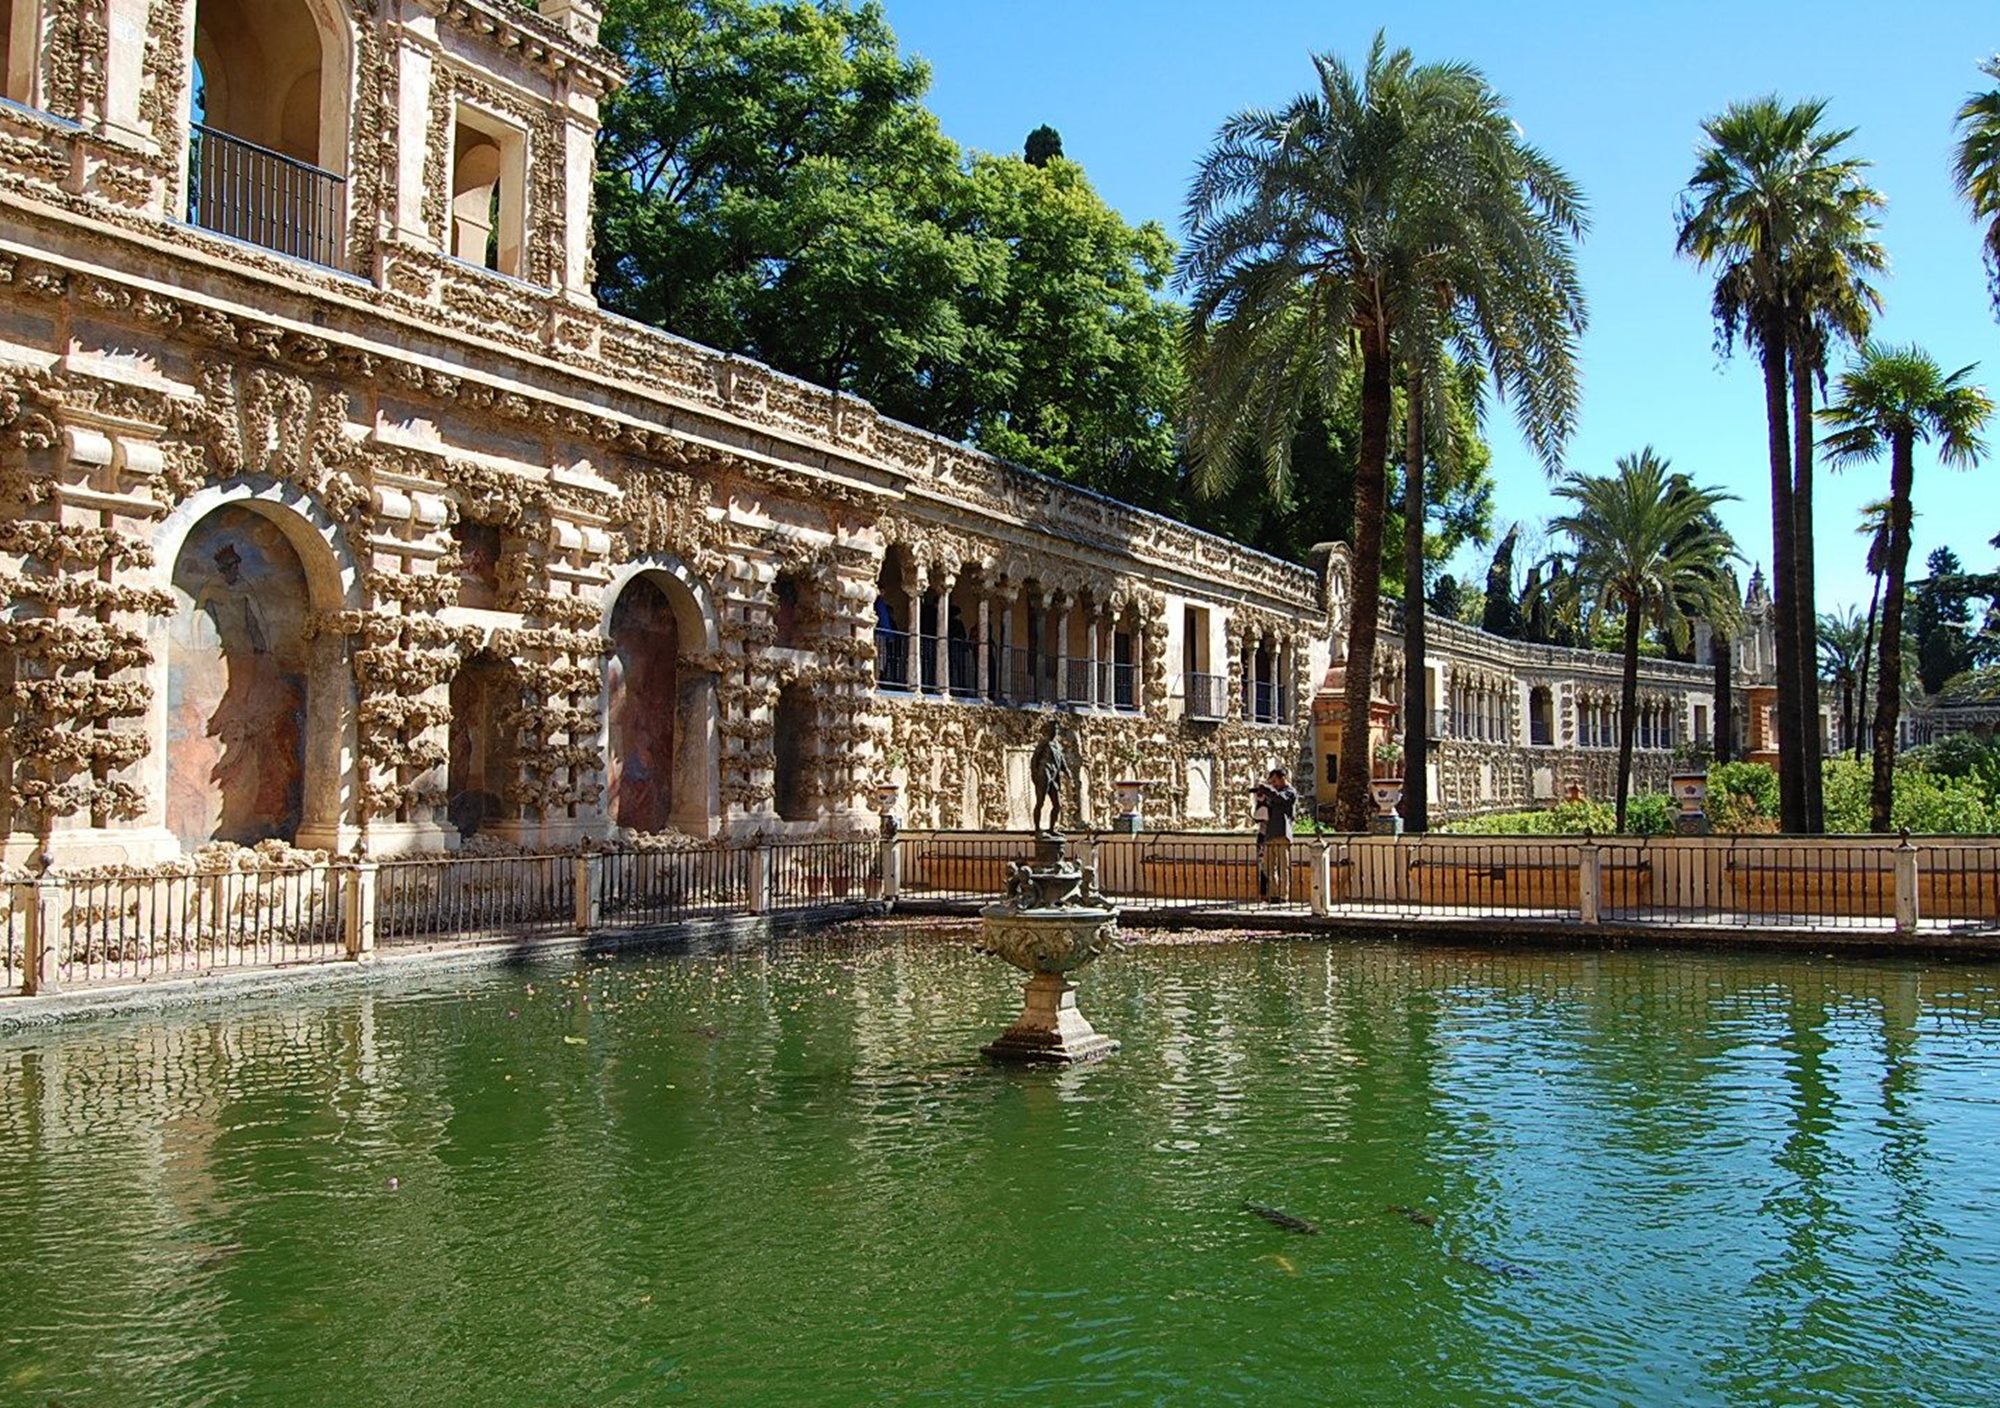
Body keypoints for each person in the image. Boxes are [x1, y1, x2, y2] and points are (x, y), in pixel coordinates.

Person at [1253, 768, 1297, 902]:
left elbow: (1281, 799)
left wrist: (1267, 789)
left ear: (1283, 778)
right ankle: (1273, 894)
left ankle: (1284, 895)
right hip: (1269, 834)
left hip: (1282, 834)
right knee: (1269, 868)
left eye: (1275, 781)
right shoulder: (1273, 794)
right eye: (1271, 782)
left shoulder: (1290, 792)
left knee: (1283, 867)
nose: (1273, 784)